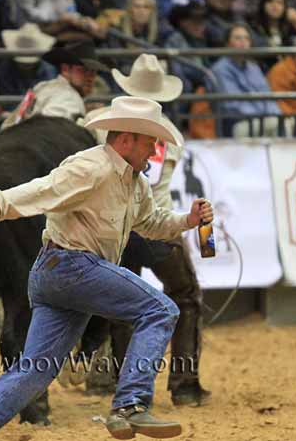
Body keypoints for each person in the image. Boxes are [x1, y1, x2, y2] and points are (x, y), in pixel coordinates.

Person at [0, 95, 214, 441]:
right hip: (73, 267)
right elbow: (43, 189)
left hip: (60, 273)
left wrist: (188, 220)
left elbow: (151, 222)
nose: (155, 150)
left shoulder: (134, 182)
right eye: (150, 142)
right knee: (160, 310)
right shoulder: (92, 166)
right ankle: (130, 404)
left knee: (33, 374)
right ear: (126, 139)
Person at [87, 54, 211, 406]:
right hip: (156, 224)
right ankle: (185, 384)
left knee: (125, 305)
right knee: (185, 296)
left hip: (118, 226)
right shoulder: (168, 134)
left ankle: (124, 382)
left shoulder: (103, 125)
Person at [0, 40, 108, 129]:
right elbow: (49, 130)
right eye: (83, 70)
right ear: (65, 69)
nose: (90, 77)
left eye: (93, 72)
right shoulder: (69, 99)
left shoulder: (44, 86)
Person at [211, 23, 282, 136]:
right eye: (238, 38)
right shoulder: (220, 70)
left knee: (284, 123)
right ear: (227, 44)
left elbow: (268, 96)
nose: (243, 42)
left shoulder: (254, 67)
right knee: (277, 125)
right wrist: (264, 117)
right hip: (237, 123)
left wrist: (275, 114)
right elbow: (233, 105)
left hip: (262, 119)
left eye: (246, 38)